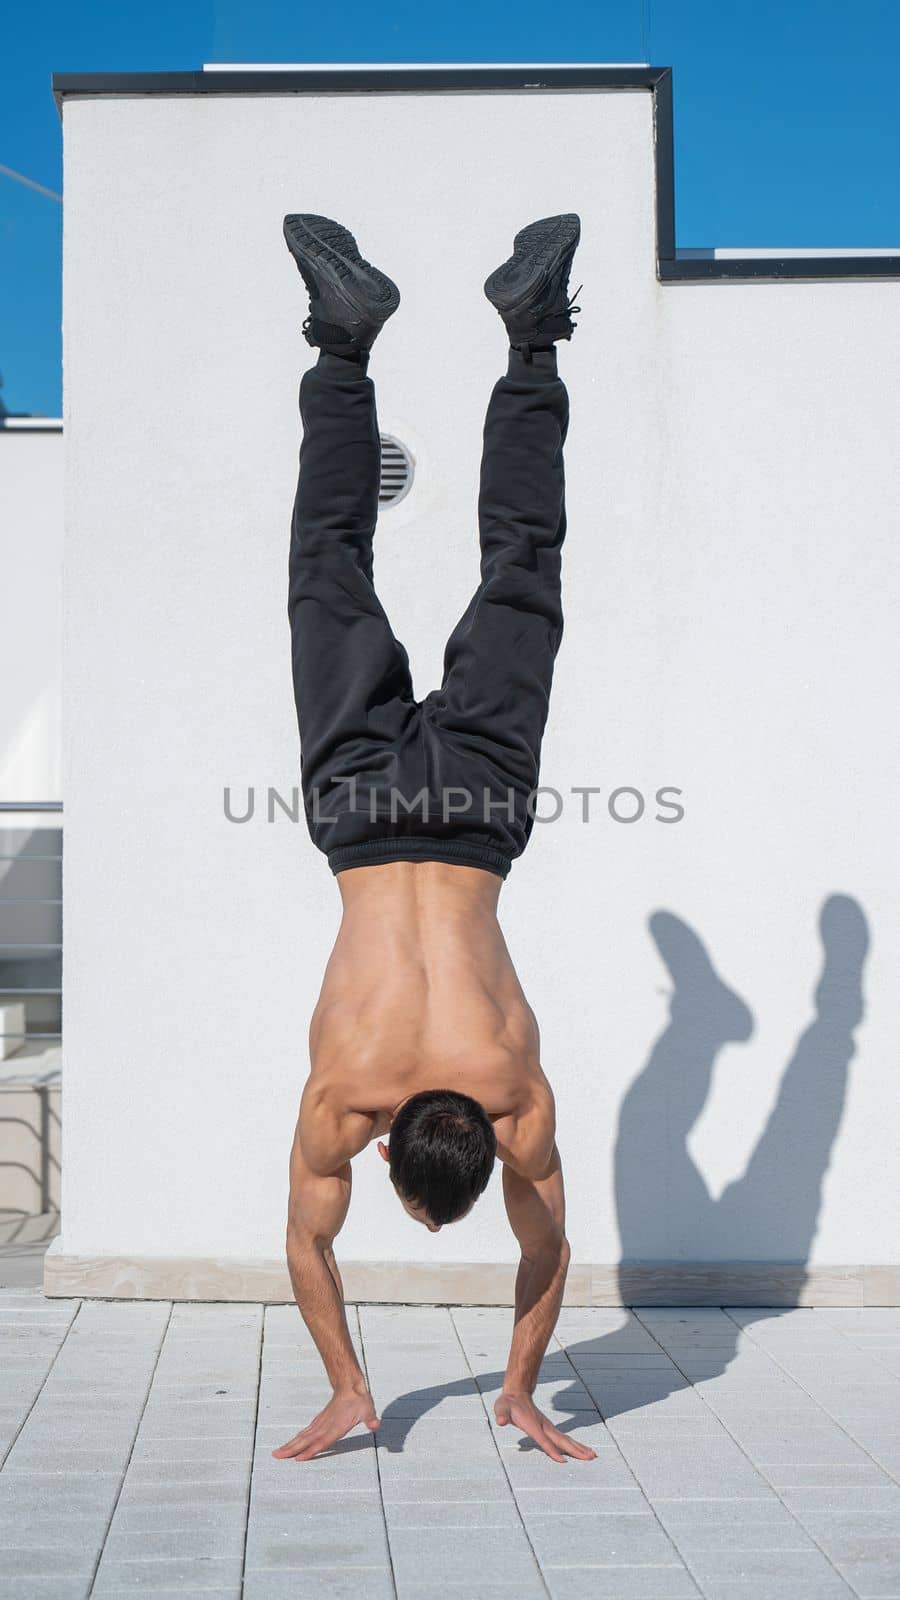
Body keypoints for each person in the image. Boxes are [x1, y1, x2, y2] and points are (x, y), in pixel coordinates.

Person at [275, 212, 595, 1466]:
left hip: (480, 814)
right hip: (356, 809)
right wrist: (355, 1384)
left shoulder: (514, 1093)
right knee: (326, 567)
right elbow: (311, 1241)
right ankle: (341, 350)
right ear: (393, 1152)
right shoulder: (340, 1098)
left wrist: (520, 1381)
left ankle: (531, 342)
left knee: (525, 567)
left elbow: (548, 1244)